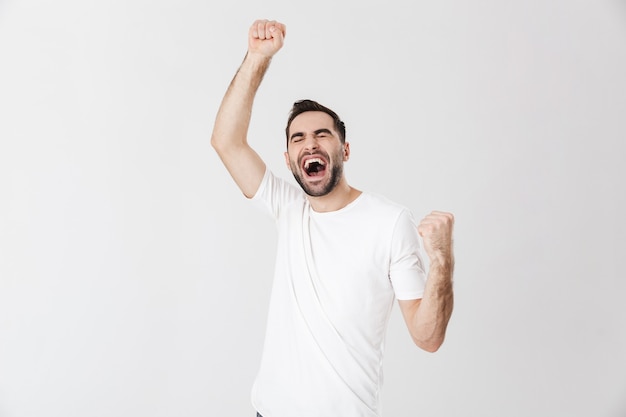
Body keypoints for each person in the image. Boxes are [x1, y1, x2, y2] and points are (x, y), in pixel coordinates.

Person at [211, 19, 455, 417]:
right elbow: (226, 141)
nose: (310, 143)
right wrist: (257, 57)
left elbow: (427, 338)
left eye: (322, 134)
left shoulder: (390, 222)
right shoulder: (289, 208)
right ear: (289, 160)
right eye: (298, 138)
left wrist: (442, 260)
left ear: (345, 150)